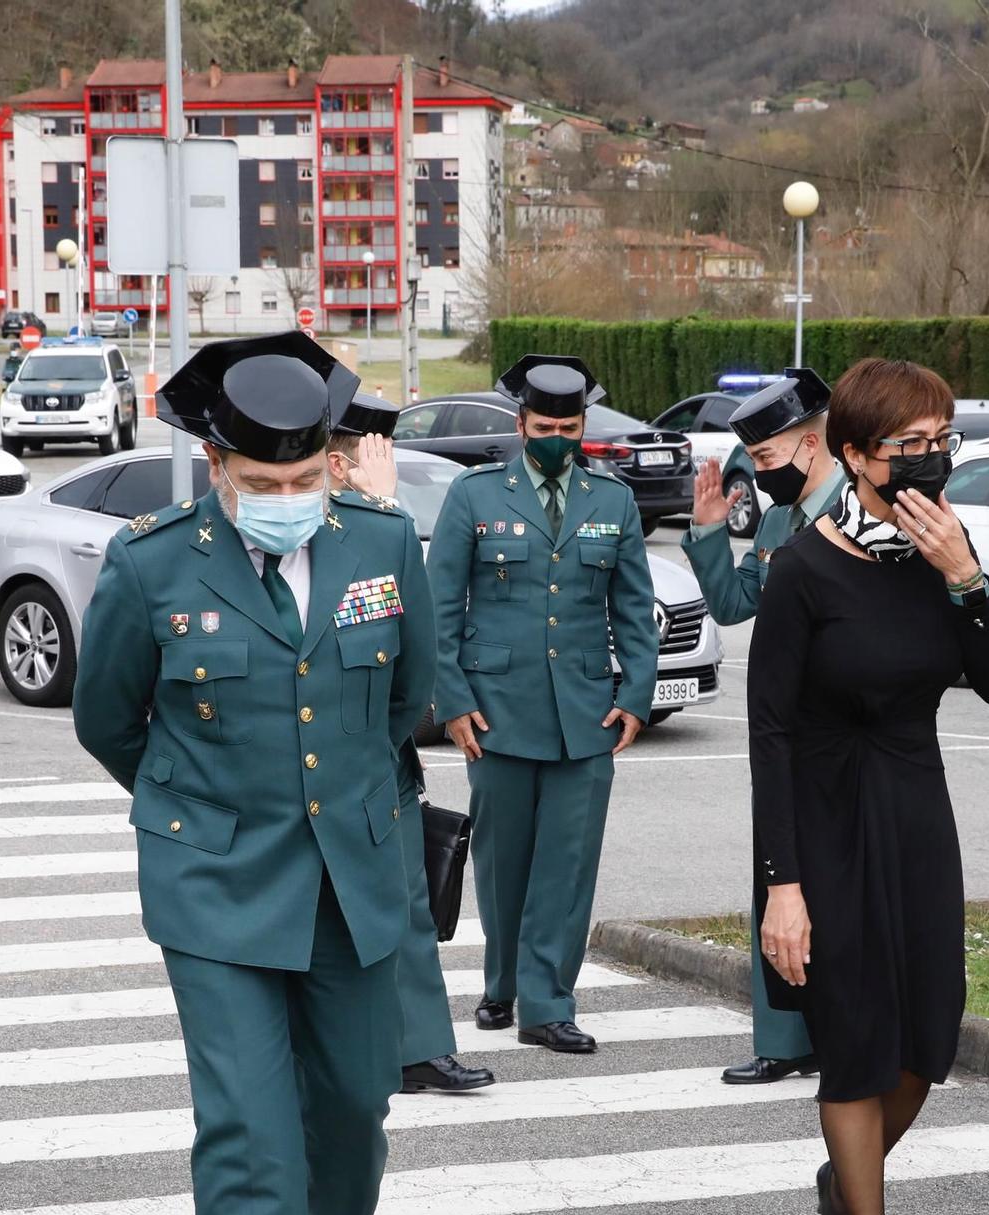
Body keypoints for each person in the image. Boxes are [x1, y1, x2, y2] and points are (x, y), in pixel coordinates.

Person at [72, 334, 434, 1215]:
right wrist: (203, 807)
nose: (286, 496)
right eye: (262, 481)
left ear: (331, 460)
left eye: (305, 477)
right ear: (216, 467)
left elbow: (406, 699)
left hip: (351, 876)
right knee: (245, 1129)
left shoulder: (380, 542)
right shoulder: (151, 560)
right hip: (215, 886)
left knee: (358, 1103)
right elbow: (110, 722)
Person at [751, 358, 989, 1215]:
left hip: (914, 808)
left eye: (939, 436)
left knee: (926, 1037)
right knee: (854, 1040)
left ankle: (841, 1177)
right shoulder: (801, 569)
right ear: (855, 455)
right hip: (820, 823)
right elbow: (768, 732)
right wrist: (781, 883)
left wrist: (963, 574)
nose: (928, 456)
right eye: (906, 443)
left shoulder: (943, 546)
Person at [425, 354, 658, 1054]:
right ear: (520, 424)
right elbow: (439, 607)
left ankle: (548, 1002)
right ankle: (502, 984)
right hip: (496, 708)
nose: (557, 437)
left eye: (569, 425)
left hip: (585, 713)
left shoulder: (611, 500)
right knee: (502, 862)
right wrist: (453, 700)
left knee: (567, 864)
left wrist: (636, 696)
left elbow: (635, 608)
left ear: (583, 425)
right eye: (544, 426)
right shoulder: (475, 495)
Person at [325, 391, 496, 1096]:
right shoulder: (316, 530)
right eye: (372, 456)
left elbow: (408, 653)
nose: (380, 470)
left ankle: (420, 1048)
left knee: (407, 903)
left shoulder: (375, 528)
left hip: (378, 756)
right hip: (319, 758)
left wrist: (384, 510)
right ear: (338, 461)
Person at [679, 367, 841, 1085]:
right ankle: (782, 1036)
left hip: (840, 729)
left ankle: (839, 1027)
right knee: (774, 877)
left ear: (812, 445)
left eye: (769, 460)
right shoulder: (780, 522)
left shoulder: (858, 514)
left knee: (840, 884)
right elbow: (736, 601)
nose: (760, 478)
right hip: (783, 734)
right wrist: (709, 532)